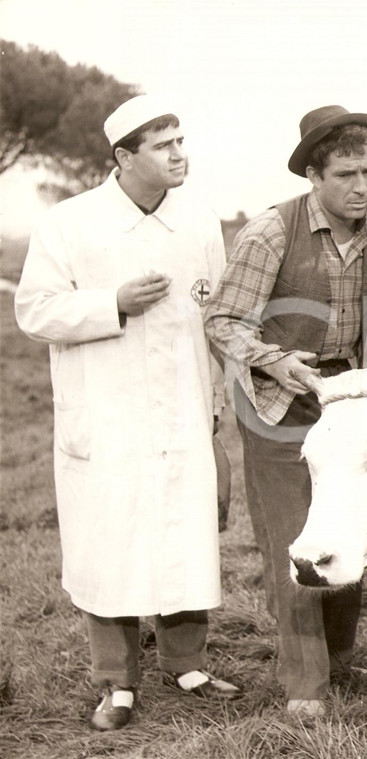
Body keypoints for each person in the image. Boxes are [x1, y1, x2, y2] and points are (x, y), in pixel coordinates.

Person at [14, 95, 240, 732]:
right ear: (123, 157)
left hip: (184, 416)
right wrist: (110, 302)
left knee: (185, 538)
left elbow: (215, 322)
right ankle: (116, 683)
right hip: (106, 420)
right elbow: (33, 312)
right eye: (163, 145)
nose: (179, 154)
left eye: (181, 140)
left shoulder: (198, 222)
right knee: (110, 545)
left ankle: (187, 662)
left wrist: (215, 415)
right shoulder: (71, 223)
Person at [203, 105, 367, 718]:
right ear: (313, 177)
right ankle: (305, 688)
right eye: (345, 176)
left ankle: (341, 661)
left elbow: (364, 308)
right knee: (296, 538)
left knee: (348, 523)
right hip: (279, 405)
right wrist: (276, 360)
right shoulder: (270, 233)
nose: (361, 187)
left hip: (342, 405)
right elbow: (221, 320)